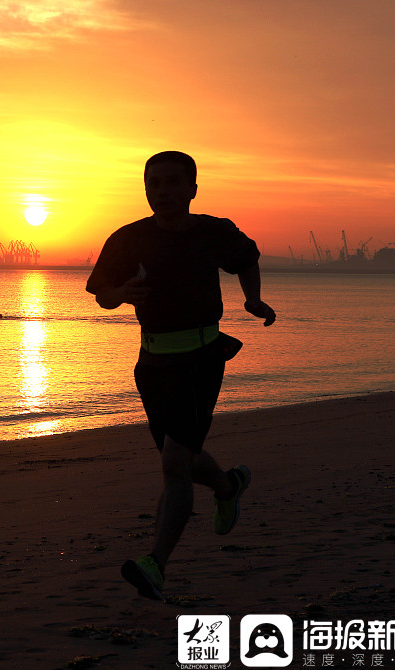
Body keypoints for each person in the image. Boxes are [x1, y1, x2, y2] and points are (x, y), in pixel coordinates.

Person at [85, 151, 276, 600]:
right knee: (185, 461)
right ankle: (228, 485)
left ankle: (156, 564)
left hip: (202, 358)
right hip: (151, 365)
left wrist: (253, 299)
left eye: (174, 182)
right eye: (155, 183)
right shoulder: (128, 238)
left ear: (192, 188)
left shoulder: (214, 231)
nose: (163, 191)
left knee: (173, 465)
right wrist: (121, 294)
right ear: (146, 189)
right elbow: (101, 294)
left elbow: (247, 258)